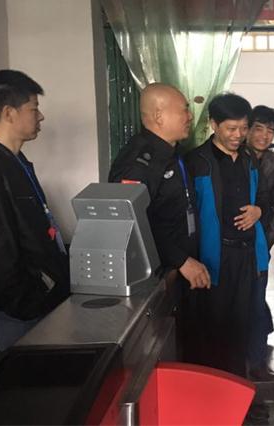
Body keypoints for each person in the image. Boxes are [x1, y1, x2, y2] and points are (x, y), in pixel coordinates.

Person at [108, 83, 211, 362]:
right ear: (158, 116)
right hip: (161, 276)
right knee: (166, 353)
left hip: (182, 269)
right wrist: (181, 260)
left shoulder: (172, 153)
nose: (189, 116)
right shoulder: (139, 162)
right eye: (184, 110)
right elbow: (134, 223)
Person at [0, 70, 70, 354]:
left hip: (42, 300)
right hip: (16, 313)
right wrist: (27, 304)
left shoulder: (15, 162)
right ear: (9, 113)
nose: (41, 116)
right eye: (34, 108)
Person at [186, 93, 268, 378]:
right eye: (231, 128)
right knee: (216, 325)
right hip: (214, 257)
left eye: (244, 128)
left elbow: (265, 198)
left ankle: (242, 384)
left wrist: (258, 210)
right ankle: (217, 387)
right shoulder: (196, 162)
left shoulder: (249, 159)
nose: (238, 135)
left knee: (246, 321)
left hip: (248, 254)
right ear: (213, 124)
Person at [245, 105, 274, 381]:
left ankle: (258, 362)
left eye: (270, 130)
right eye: (258, 128)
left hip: (260, 243)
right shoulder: (235, 156)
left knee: (258, 300)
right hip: (230, 244)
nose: (263, 135)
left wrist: (267, 242)